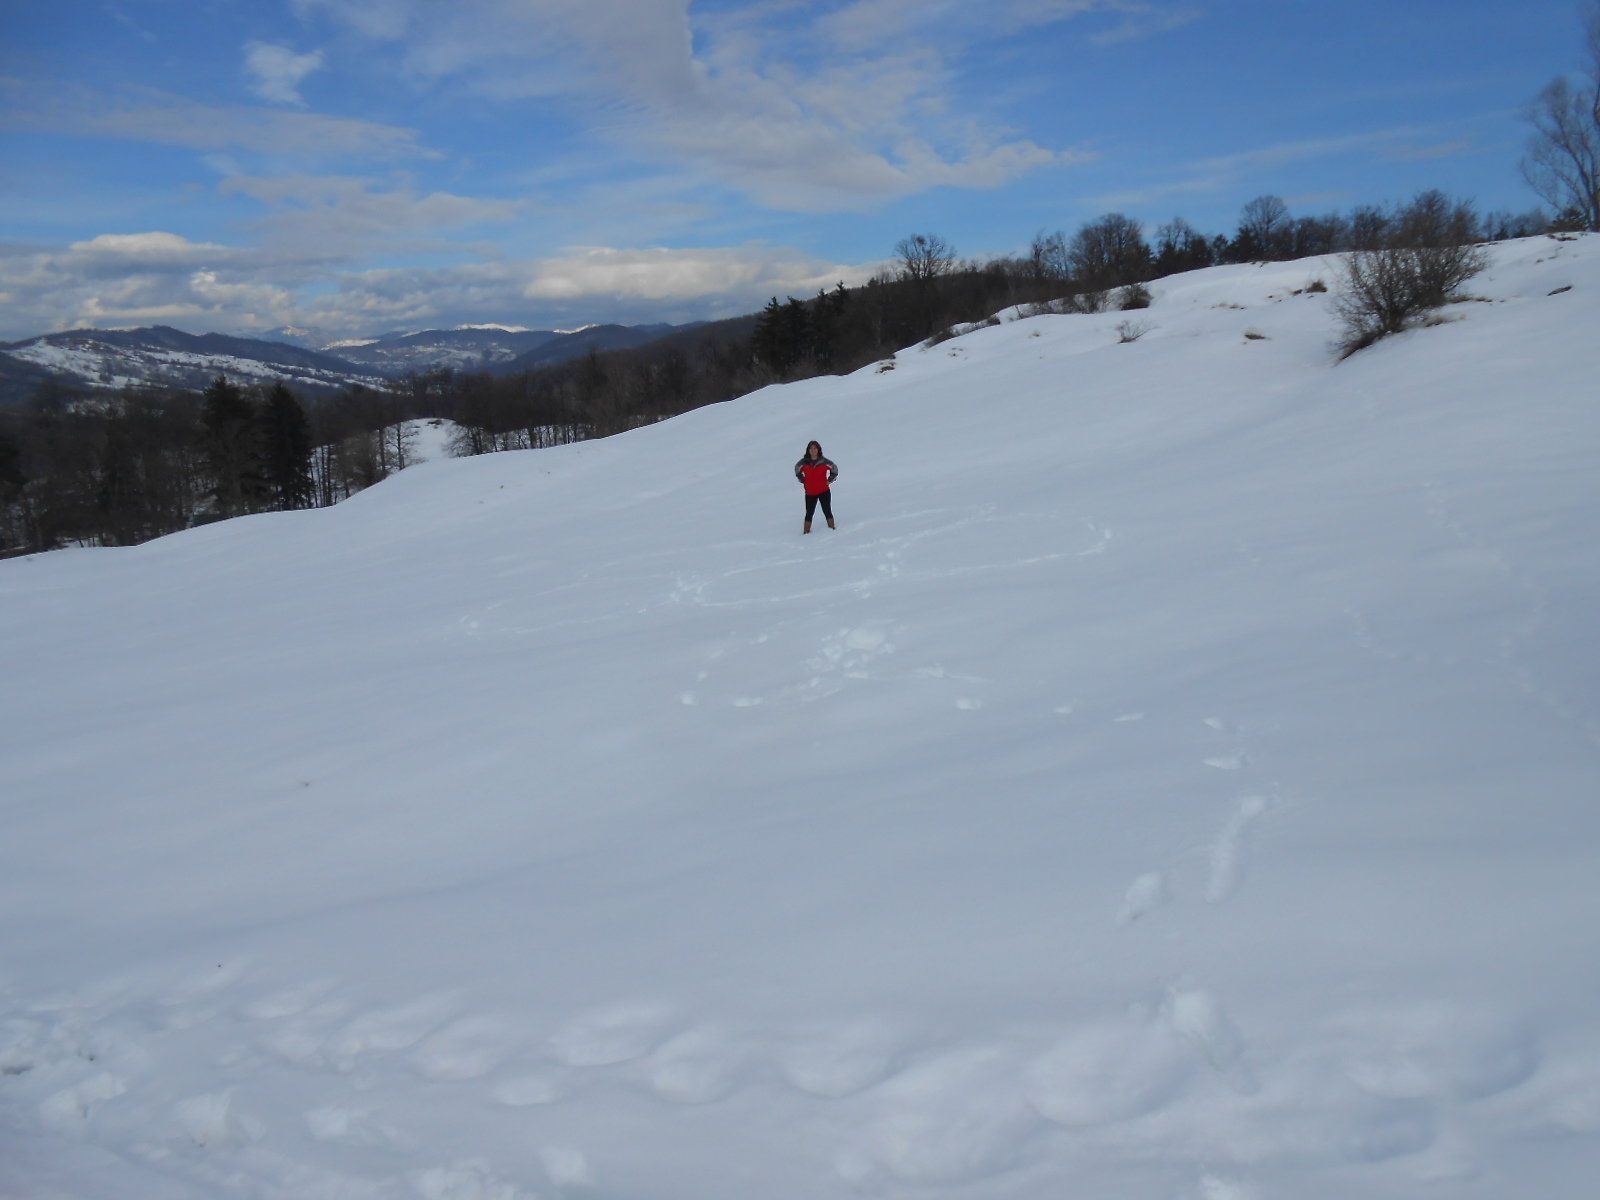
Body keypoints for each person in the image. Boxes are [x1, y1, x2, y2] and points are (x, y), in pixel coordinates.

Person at [794, 440, 838, 533]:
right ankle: (806, 533)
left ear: (818, 450)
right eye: (811, 448)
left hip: (823, 490)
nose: (813, 450)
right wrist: (802, 480)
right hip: (810, 492)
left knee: (827, 510)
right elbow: (797, 468)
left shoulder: (823, 461)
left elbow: (834, 469)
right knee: (809, 513)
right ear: (808, 450)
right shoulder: (804, 462)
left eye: (815, 448)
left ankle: (832, 530)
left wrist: (830, 480)